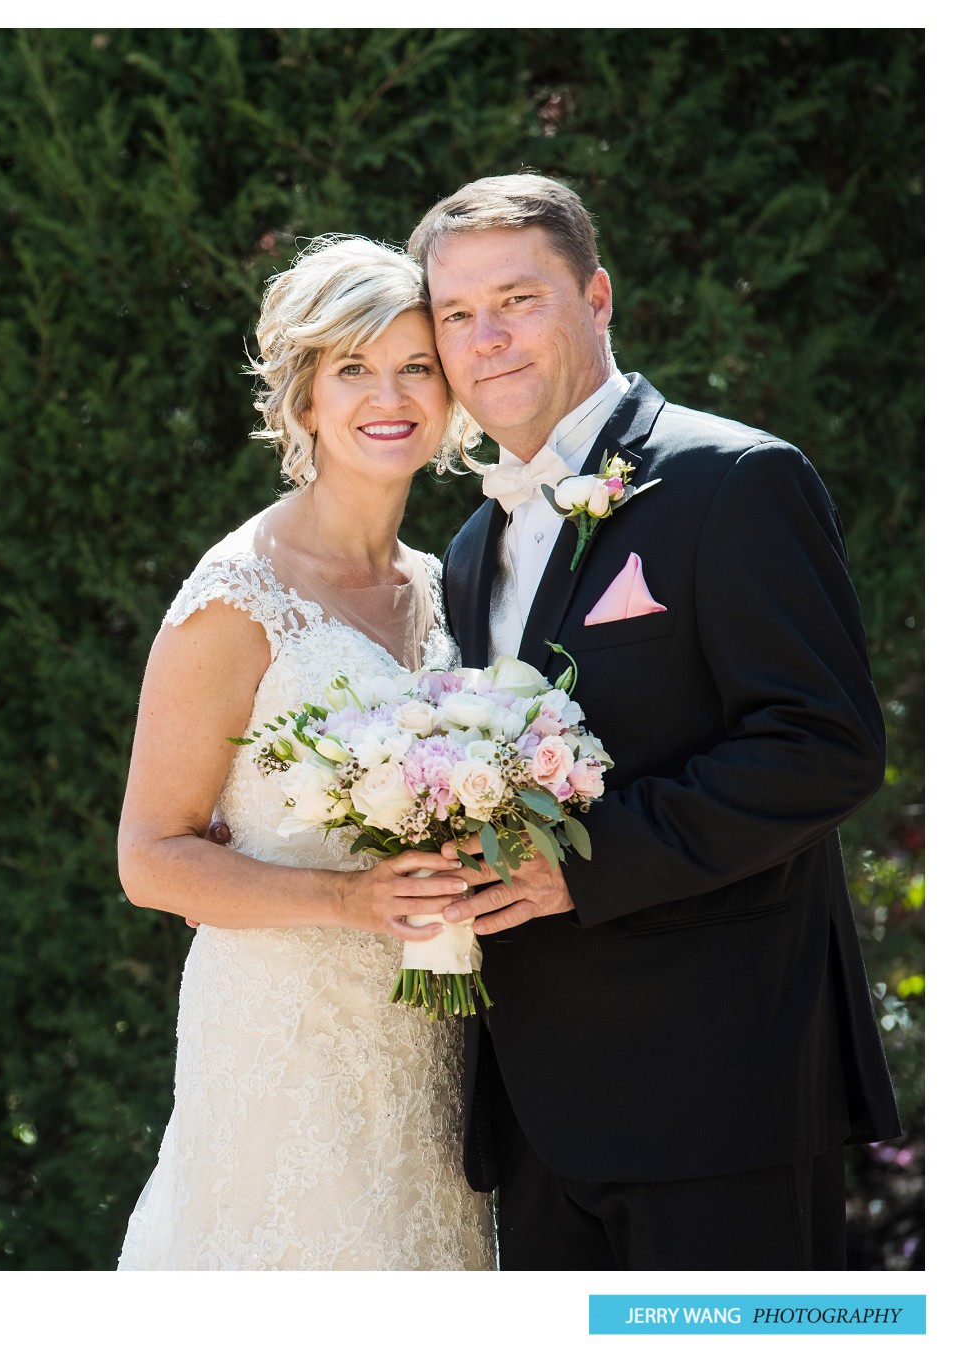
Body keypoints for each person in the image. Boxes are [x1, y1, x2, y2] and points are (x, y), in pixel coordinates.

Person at [410, 173, 901, 1269]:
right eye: (456, 314)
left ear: (597, 297)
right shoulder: (466, 549)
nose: (485, 338)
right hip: (537, 1113)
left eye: (519, 299)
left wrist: (580, 866)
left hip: (722, 1090)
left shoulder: (736, 478)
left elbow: (822, 745)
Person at [113, 235, 493, 1270]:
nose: (393, 394)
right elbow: (149, 857)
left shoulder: (450, 584)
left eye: (418, 366)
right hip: (280, 1030)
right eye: (355, 368)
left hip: (427, 1036)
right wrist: (347, 903)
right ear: (306, 396)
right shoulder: (238, 595)